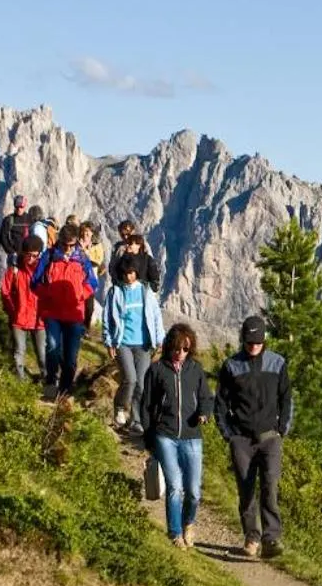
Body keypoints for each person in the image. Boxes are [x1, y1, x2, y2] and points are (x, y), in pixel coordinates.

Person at [215, 315, 293, 558]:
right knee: (246, 489)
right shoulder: (231, 366)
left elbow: (286, 398)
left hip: (270, 437)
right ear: (243, 340)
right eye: (249, 342)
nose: (253, 347)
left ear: (264, 340)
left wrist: (283, 429)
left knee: (270, 485)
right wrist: (228, 434)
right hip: (241, 439)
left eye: (257, 342)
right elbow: (220, 404)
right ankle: (251, 537)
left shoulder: (277, 364)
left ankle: (271, 538)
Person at [137, 323, 210, 546]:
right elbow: (146, 405)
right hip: (165, 435)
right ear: (170, 347)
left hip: (191, 435)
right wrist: (149, 438)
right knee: (175, 486)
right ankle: (175, 533)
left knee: (194, 491)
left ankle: (189, 522)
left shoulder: (195, 370)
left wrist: (204, 413)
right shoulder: (157, 370)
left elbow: (206, 397)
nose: (180, 353)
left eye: (185, 349)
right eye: (177, 348)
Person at [31, 224, 99, 400]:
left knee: (70, 356)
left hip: (74, 313)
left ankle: (66, 387)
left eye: (71, 245)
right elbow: (35, 282)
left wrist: (79, 295)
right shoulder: (50, 256)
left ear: (76, 242)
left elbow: (92, 283)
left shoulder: (82, 258)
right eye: (64, 244)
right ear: (59, 240)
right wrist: (49, 293)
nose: (67, 249)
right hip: (52, 312)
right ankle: (51, 383)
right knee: (52, 347)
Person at [102, 256, 164, 428]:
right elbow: (107, 318)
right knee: (130, 378)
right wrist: (109, 342)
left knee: (142, 384)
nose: (129, 276)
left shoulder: (145, 291)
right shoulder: (115, 293)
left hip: (143, 344)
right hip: (122, 342)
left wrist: (160, 339)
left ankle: (135, 419)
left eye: (132, 273)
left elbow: (156, 316)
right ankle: (120, 407)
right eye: (126, 273)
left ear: (136, 272)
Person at [0, 236, 47, 379]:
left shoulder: (44, 271)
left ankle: (48, 384)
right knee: (19, 351)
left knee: (42, 354)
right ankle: (21, 386)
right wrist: (12, 310)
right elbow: (5, 291)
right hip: (19, 317)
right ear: (23, 253)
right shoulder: (15, 271)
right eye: (28, 255)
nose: (31, 259)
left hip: (40, 319)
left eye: (35, 255)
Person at [0, 194, 31, 275]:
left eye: (21, 207)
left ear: (24, 207)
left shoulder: (29, 218)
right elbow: (3, 237)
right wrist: (11, 251)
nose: (19, 209)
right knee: (13, 277)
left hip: (27, 255)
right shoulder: (8, 219)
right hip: (13, 255)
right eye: (17, 207)